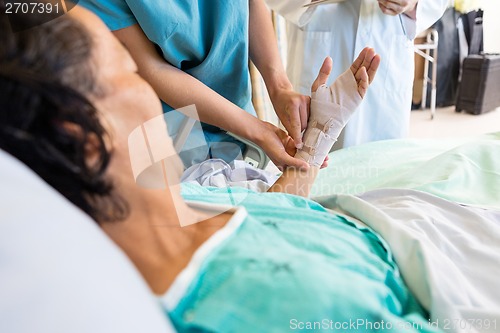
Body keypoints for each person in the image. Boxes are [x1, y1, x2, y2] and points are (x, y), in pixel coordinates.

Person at [0, 6, 442, 332]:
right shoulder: (290, 299)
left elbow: (272, 210)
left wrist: (307, 129)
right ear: (83, 134)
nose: (142, 84)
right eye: (129, 73)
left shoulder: (207, 204)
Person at [79, 0, 314, 170]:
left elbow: (252, 4)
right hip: (172, 130)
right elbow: (153, 69)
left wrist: (280, 87)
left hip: (240, 118)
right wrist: (257, 130)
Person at [266, 0, 448, 148]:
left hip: (388, 43)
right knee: (312, 168)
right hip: (322, 31)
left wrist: (414, 4)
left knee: (382, 171)